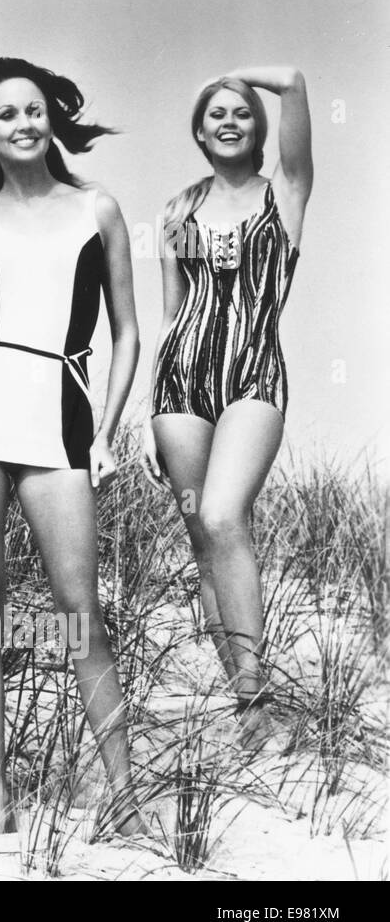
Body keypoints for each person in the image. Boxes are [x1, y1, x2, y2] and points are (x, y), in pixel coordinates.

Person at [0, 57, 147, 836]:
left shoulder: (98, 208)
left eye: (34, 110)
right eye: (6, 114)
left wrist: (106, 434)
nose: (23, 123)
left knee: (80, 609)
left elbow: (125, 333)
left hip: (60, 417)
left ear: (52, 121)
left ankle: (124, 791)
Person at [141, 68, 312, 746]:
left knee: (221, 514)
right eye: (215, 111)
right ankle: (246, 699)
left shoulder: (285, 194)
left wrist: (238, 72)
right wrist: (149, 414)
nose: (230, 119)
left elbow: (296, 83)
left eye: (241, 110)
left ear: (257, 124)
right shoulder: (177, 211)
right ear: (199, 129)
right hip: (181, 382)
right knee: (202, 541)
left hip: (253, 374)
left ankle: (257, 691)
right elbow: (171, 312)